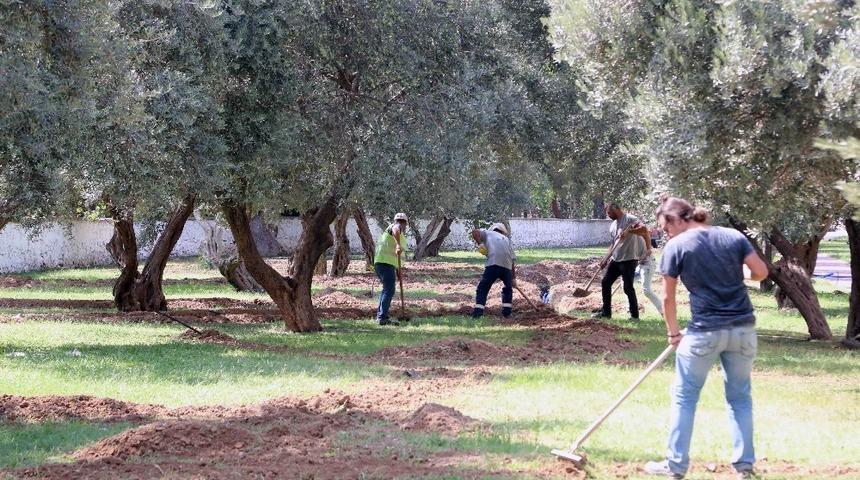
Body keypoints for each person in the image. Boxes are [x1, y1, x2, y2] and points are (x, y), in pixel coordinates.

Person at [644, 197, 768, 480]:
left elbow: (667, 297)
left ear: (679, 219)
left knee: (685, 397)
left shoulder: (676, 247)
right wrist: (736, 273)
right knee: (740, 398)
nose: (666, 234)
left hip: (703, 332)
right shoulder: (733, 237)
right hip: (743, 330)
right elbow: (760, 272)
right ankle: (744, 467)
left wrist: (673, 333)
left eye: (666, 228)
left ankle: (675, 467)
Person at [593, 202, 650, 320]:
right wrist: (605, 258)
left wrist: (629, 231)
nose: (608, 215)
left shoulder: (630, 219)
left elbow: (644, 230)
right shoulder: (613, 225)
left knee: (628, 287)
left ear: (616, 210)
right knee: (605, 282)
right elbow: (613, 243)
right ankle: (606, 313)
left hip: (629, 259)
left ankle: (634, 316)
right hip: (616, 258)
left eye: (609, 212)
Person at [471, 222, 516, 318]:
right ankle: (507, 313)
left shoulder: (488, 233)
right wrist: (513, 279)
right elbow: (512, 260)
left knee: (483, 288)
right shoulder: (507, 240)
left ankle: (478, 313)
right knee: (508, 288)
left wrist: (480, 244)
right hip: (507, 266)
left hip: (493, 263)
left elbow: (475, 232)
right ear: (503, 232)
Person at [373, 212, 409, 326]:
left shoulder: (398, 234)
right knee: (389, 289)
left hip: (386, 264)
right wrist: (398, 244)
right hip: (384, 263)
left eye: (402, 222)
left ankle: (381, 315)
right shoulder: (395, 228)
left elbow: (396, 256)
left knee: (387, 289)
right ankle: (382, 317)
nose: (401, 224)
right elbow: (396, 228)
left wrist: (398, 271)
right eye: (401, 222)